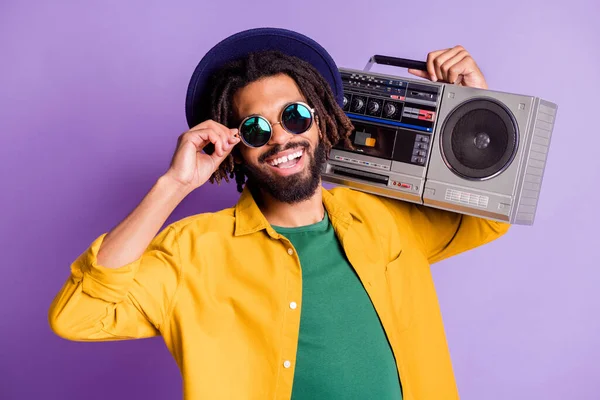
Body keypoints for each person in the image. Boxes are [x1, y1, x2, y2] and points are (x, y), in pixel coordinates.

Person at [49, 28, 508, 400]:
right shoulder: (191, 253)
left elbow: (489, 217)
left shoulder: (382, 218)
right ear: (233, 147)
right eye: (255, 128)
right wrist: (174, 186)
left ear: (321, 119)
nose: (280, 139)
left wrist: (474, 105)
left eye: (293, 115)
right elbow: (79, 315)